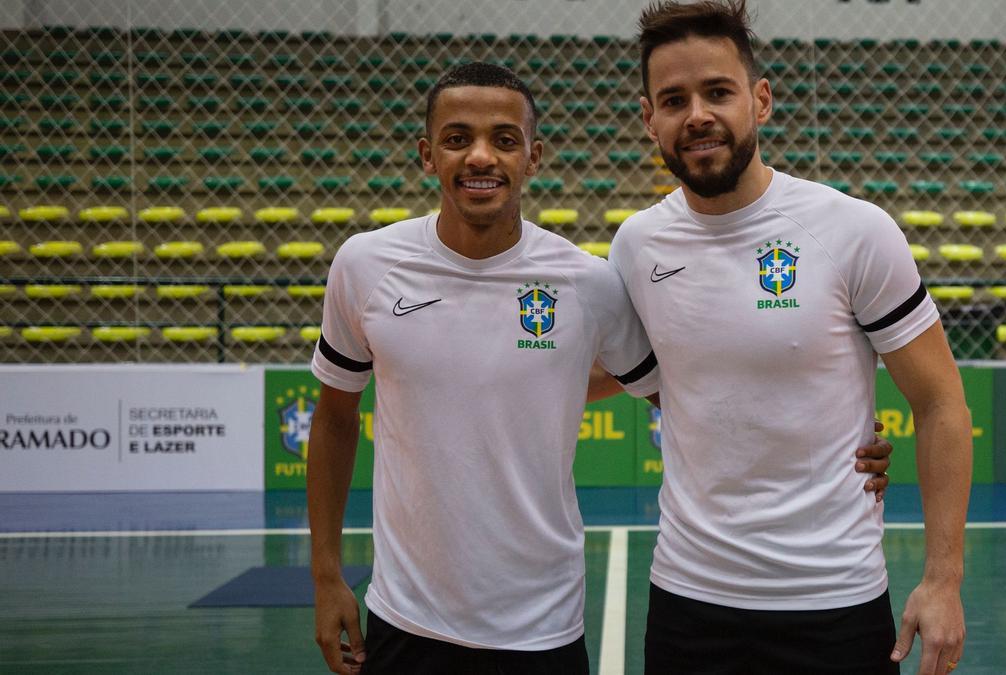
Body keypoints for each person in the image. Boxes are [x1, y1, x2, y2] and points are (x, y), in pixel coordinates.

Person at [306, 62, 895, 675]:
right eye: (457, 139)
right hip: (405, 619)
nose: (480, 157)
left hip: (543, 628)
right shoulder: (365, 268)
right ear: (427, 155)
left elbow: (683, 387)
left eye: (505, 140)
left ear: (534, 157)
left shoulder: (588, 284)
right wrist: (326, 577)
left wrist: (840, 434)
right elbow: (334, 422)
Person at [608, 2, 973, 674]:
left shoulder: (853, 231)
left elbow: (942, 402)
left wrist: (942, 579)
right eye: (673, 99)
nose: (697, 115)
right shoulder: (636, 246)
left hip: (835, 602)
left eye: (718, 92)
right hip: (690, 602)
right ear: (649, 119)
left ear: (761, 99)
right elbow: (644, 373)